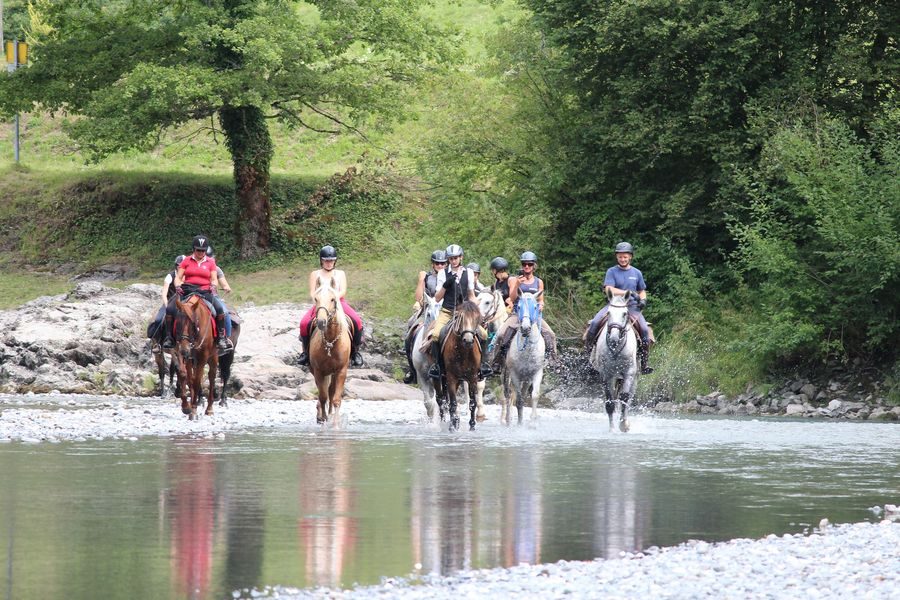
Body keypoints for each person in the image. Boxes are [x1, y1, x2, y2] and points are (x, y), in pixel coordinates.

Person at [584, 242, 654, 374]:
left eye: (625, 257)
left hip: (632, 307)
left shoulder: (636, 273)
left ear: (630, 257)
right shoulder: (612, 271)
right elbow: (609, 289)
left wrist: (643, 299)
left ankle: (644, 364)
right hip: (614, 306)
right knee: (594, 323)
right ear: (617, 257)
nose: (623, 259)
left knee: (644, 330)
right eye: (620, 257)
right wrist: (627, 292)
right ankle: (587, 359)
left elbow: (642, 290)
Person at [424, 244, 492, 380]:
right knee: (436, 334)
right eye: (451, 259)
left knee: (483, 334)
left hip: (465, 313)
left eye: (455, 258)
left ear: (461, 257)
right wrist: (445, 285)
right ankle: (437, 366)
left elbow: (471, 294)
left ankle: (483, 365)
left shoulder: (469, 273)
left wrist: (476, 309)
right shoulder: (443, 273)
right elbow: (437, 298)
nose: (453, 261)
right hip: (447, 311)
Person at [488, 251, 558, 371]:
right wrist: (517, 285)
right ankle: (497, 362)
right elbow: (513, 298)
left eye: (529, 264)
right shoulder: (516, 280)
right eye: (524, 264)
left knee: (551, 334)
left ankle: (554, 361)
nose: (527, 266)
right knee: (500, 334)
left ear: (534, 266)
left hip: (534, 316)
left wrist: (541, 305)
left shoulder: (539, 282)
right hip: (517, 314)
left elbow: (541, 300)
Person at [162, 235, 233, 354]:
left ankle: (221, 338)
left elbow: (214, 279)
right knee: (169, 308)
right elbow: (178, 277)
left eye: (203, 250)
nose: (200, 252)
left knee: (220, 309)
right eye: (198, 250)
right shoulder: (186, 261)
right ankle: (169, 338)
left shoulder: (211, 262)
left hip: (205, 291)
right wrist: (178, 285)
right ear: (193, 249)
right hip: (188, 289)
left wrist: (213, 285)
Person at [297, 245, 365, 367]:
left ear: (335, 261)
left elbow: (343, 290)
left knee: (357, 321)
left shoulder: (340, 273)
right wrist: (321, 300)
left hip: (338, 302)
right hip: (321, 304)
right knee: (304, 323)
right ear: (321, 260)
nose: (329, 263)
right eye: (326, 260)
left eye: (331, 260)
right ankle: (306, 353)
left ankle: (355, 352)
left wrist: (333, 299)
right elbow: (312, 292)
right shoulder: (315, 274)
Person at [402, 250, 447, 384]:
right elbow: (419, 297)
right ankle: (412, 368)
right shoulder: (427, 277)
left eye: (442, 263)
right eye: (437, 263)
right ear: (433, 264)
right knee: (411, 326)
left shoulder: (449, 277)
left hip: (445, 310)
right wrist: (421, 280)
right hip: (428, 310)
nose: (440, 266)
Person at [149, 254, 184, 351]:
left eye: (183, 266)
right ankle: (157, 343)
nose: (180, 267)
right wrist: (167, 305)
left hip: (185, 304)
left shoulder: (189, 276)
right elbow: (164, 294)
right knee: (159, 320)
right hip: (170, 302)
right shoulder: (170, 276)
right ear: (176, 266)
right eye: (179, 265)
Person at [206, 246, 233, 338]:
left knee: (224, 313)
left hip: (212, 296)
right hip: (198, 294)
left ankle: (226, 338)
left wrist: (226, 287)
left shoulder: (216, 269)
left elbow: (225, 284)